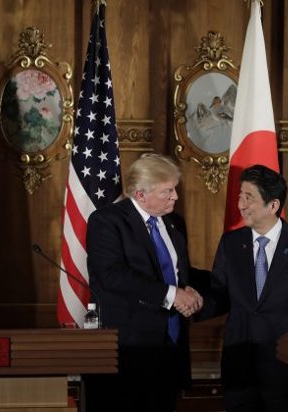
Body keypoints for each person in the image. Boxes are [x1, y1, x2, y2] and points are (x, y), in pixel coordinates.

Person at [200, 164, 288, 412]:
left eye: (249, 197)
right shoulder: (231, 243)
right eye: (240, 195)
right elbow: (220, 293)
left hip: (287, 369)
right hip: (239, 368)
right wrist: (194, 304)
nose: (240, 204)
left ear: (273, 206)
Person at [85, 153, 204, 412]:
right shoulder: (107, 221)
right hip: (129, 348)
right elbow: (112, 274)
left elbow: (174, 271)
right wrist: (172, 295)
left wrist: (190, 289)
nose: (175, 197)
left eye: (174, 189)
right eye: (168, 191)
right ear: (140, 195)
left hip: (171, 346)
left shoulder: (175, 222)